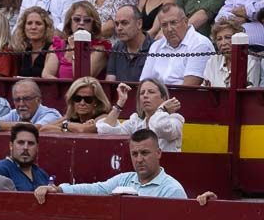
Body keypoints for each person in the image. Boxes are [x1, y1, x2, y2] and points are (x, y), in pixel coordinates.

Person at [34, 129, 210, 201]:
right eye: (135, 154)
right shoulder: (125, 179)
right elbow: (95, 189)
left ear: (158, 154)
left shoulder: (172, 190)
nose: (139, 159)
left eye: (145, 153)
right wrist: (59, 190)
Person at [139, 3, 214, 87]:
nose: (169, 29)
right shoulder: (156, 46)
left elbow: (189, 87)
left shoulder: (200, 44)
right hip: (158, 97)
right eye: (164, 25)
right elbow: (144, 83)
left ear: (185, 21)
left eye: (173, 23)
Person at [98, 78, 183, 150]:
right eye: (142, 93)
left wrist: (162, 109)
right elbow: (105, 131)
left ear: (163, 98)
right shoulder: (136, 123)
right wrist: (120, 103)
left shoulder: (175, 120)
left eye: (151, 92)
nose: (145, 95)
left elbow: (159, 126)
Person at [44, 0, 109, 79]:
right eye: (77, 19)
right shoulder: (60, 46)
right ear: (70, 22)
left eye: (87, 20)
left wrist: (75, 49)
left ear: (93, 25)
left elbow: (82, 77)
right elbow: (47, 74)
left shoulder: (100, 49)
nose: (81, 23)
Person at [0, 122, 53, 191]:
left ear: (37, 148)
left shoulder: (42, 174)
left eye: (30, 143)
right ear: (11, 145)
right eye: (21, 142)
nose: (25, 147)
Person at [40, 74, 111, 134]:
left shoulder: (103, 117)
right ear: (72, 100)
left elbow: (83, 130)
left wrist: (64, 127)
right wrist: (67, 127)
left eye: (88, 99)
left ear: (97, 101)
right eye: (77, 99)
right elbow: (43, 129)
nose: (82, 103)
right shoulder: (70, 117)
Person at [205, 20, 264, 87]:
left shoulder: (252, 61)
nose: (223, 43)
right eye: (219, 39)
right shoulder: (213, 61)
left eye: (228, 37)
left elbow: (249, 92)